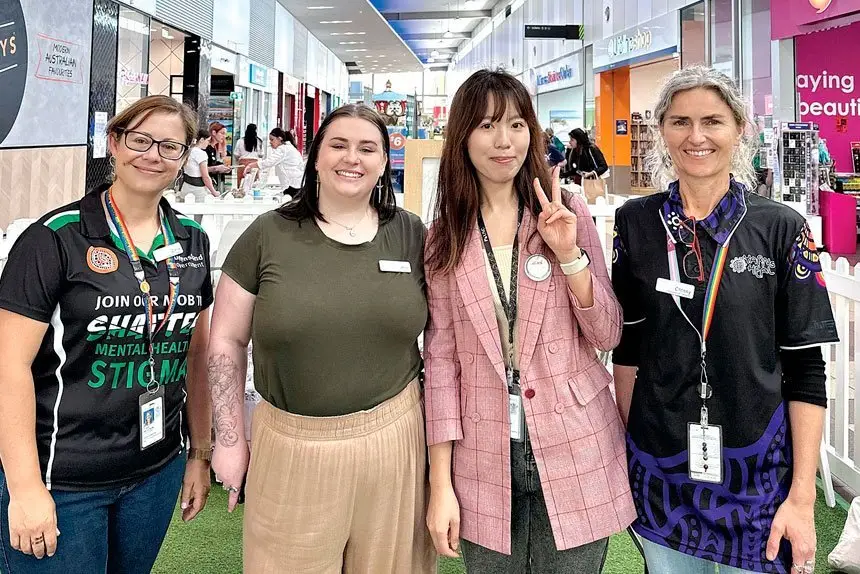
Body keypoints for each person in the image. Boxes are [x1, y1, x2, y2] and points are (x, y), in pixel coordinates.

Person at [612, 65, 838, 574]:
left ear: (738, 128)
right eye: (680, 121)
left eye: (712, 121)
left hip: (756, 474)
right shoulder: (636, 223)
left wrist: (802, 497)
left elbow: (806, 370)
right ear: (662, 130)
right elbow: (627, 349)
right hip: (662, 466)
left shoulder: (782, 229)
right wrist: (630, 449)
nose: (696, 137)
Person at [207, 104, 435, 573]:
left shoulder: (410, 233)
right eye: (338, 144)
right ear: (315, 157)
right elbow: (227, 340)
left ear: (383, 161)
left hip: (396, 439)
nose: (352, 158)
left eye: (367, 148)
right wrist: (228, 440)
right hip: (292, 443)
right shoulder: (268, 233)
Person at [423, 69, 635, 573]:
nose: (505, 141)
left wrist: (570, 256)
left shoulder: (566, 211)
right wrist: (439, 486)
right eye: (488, 125)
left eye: (517, 124)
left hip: (574, 439)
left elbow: (607, 332)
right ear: (462, 137)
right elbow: (441, 362)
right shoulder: (442, 237)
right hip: (482, 451)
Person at [0, 95, 214, 573]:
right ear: (114, 144)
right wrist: (26, 487)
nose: (153, 155)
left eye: (170, 147)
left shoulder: (192, 241)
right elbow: (7, 366)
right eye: (140, 140)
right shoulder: (55, 237)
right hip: (65, 477)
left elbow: (196, 354)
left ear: (184, 159)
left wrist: (199, 453)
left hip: (155, 472)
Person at [243, 128, 304, 196]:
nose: (270, 142)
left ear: (279, 139)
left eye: (272, 139)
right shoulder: (289, 148)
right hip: (297, 184)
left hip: (292, 186)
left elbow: (269, 162)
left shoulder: (283, 149)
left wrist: (251, 165)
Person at [182, 129, 219, 202]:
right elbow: (205, 176)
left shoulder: (188, 151)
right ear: (202, 140)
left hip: (185, 186)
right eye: (208, 141)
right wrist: (214, 192)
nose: (208, 144)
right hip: (198, 190)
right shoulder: (201, 153)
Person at [234, 124, 263, 188]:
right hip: (254, 164)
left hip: (242, 164)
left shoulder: (240, 141)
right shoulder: (259, 141)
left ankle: (240, 196)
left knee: (241, 184)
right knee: (254, 184)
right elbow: (261, 154)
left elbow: (236, 154)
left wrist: (239, 160)